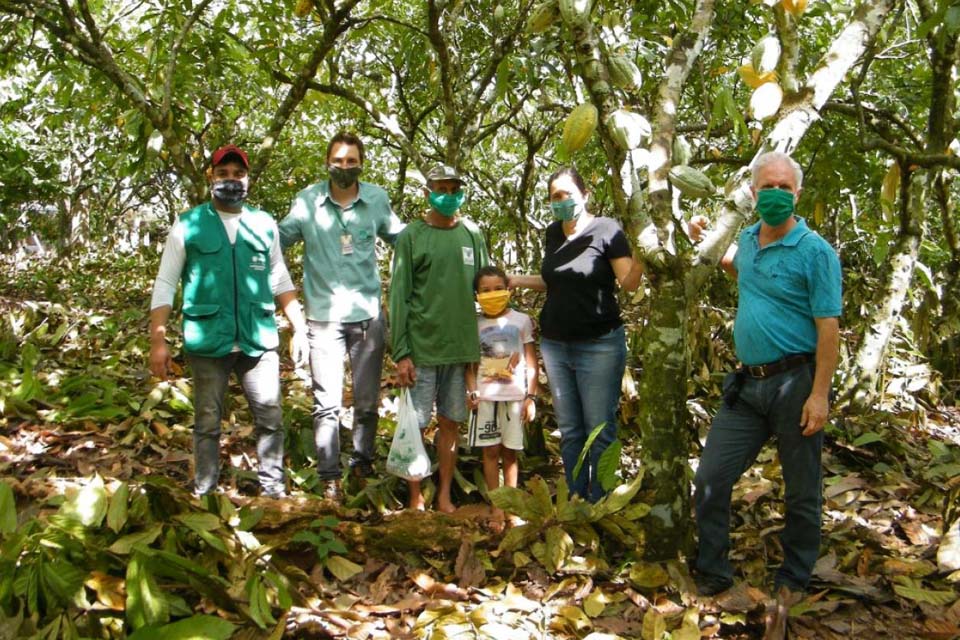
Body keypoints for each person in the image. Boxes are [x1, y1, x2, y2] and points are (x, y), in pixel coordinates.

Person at [693, 151, 842, 605]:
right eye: (767, 187)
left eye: (785, 187)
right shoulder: (749, 239)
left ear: (797, 193)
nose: (775, 194)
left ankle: (793, 578)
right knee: (711, 478)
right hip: (747, 384)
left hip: (794, 382)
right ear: (753, 194)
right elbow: (746, 270)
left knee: (800, 488)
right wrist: (706, 238)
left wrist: (819, 395)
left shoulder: (816, 252)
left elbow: (828, 328)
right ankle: (714, 572)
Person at [149, 144, 309, 499]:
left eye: (238, 174)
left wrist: (299, 326)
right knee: (207, 422)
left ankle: (272, 493)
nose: (231, 180)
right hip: (208, 339)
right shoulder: (188, 224)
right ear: (211, 177)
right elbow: (165, 281)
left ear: (248, 180)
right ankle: (205, 493)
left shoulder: (263, 223)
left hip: (258, 338)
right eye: (223, 174)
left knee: (270, 418)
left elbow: (279, 278)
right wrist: (157, 339)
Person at [279, 132, 404, 502]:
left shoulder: (377, 200)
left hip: (367, 317)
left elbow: (402, 239)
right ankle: (329, 475)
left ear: (361, 163)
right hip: (322, 318)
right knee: (327, 403)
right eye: (338, 160)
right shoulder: (307, 202)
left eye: (352, 161)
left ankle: (363, 464)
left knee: (366, 403)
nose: (345, 167)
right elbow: (276, 241)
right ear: (327, 163)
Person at [509, 167, 644, 503]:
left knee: (599, 429)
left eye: (567, 194)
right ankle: (575, 497)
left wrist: (646, 247)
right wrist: (513, 279)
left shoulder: (607, 230)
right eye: (555, 196)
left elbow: (628, 282)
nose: (561, 201)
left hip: (599, 344)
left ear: (585, 195)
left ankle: (602, 500)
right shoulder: (554, 233)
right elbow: (556, 280)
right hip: (556, 344)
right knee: (570, 431)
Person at [389, 164, 488, 512]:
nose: (448, 195)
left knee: (450, 423)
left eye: (453, 189)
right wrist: (401, 351)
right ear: (428, 192)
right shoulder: (411, 236)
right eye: (440, 189)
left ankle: (444, 494)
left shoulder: (472, 235)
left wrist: (489, 352)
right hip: (422, 349)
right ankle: (415, 497)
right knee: (415, 425)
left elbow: (486, 290)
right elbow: (398, 294)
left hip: (460, 350)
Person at [465, 265, 539, 528]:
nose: (492, 294)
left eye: (498, 289)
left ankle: (512, 507)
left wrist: (531, 396)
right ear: (476, 295)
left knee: (510, 453)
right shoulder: (474, 324)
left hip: (515, 397)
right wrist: (471, 390)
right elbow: (470, 365)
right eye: (485, 290)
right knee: (490, 452)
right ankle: (496, 507)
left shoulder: (521, 320)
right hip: (486, 398)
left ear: (508, 290)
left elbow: (531, 359)